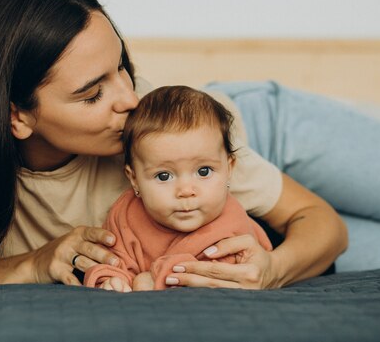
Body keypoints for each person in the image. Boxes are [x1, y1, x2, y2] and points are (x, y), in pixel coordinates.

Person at [0, 0, 352, 292]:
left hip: (246, 130)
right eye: (92, 94)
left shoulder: (148, 121)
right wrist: (32, 264)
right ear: (15, 116)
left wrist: (275, 271)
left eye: (122, 66)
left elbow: (320, 221)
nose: (128, 99)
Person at [83, 86, 273, 292]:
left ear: (229, 169)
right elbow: (112, 259)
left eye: (203, 171)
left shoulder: (231, 224)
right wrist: (112, 279)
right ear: (134, 179)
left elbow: (221, 275)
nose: (185, 191)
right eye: (164, 176)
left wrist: (153, 278)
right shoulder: (125, 214)